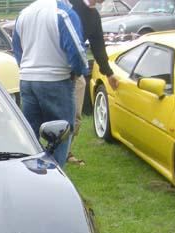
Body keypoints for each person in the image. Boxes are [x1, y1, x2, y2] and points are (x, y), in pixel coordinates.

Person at [12, 0, 89, 168]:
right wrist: (79, 71)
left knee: (30, 136)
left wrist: (27, 68)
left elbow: (17, 49)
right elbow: (77, 50)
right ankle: (54, 176)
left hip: (27, 80)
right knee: (60, 135)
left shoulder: (24, 13)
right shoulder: (63, 13)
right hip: (56, 80)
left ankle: (28, 174)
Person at [67, 0, 120, 165]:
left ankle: (66, 152)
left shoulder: (93, 15)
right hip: (55, 70)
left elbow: (98, 46)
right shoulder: (69, 5)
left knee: (75, 116)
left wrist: (109, 73)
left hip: (75, 73)